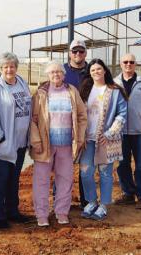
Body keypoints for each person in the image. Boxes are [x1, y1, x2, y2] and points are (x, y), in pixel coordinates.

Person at [30, 60, 87, 227]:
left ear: (64, 74)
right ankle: (41, 214)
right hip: (44, 145)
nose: (56, 75)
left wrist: (80, 138)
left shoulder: (71, 91)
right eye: (52, 72)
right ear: (48, 75)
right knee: (41, 181)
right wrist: (36, 140)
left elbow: (82, 116)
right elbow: (33, 120)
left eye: (59, 72)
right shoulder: (40, 93)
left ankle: (61, 212)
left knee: (65, 179)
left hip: (66, 145)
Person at [0, 52, 32, 229]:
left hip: (19, 143)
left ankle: (13, 211)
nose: (9, 69)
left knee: (14, 179)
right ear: (1, 69)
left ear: (16, 67)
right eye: (6, 67)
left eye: (12, 66)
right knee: (0, 179)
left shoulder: (22, 83)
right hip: (2, 143)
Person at [79, 59, 127, 220]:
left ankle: (104, 205)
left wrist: (110, 133)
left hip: (106, 139)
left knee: (105, 173)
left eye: (99, 69)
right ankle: (91, 201)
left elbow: (122, 113)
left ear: (105, 71)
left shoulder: (114, 90)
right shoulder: (85, 90)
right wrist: (80, 135)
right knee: (86, 172)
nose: (96, 72)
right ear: (89, 73)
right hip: (88, 139)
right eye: (93, 70)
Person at [114, 53, 141, 209]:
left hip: (140, 133)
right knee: (123, 164)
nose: (128, 64)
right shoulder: (114, 83)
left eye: (131, 62)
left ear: (135, 64)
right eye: (125, 62)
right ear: (120, 64)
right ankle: (128, 193)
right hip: (121, 132)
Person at [63, 39, 88, 207]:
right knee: (64, 165)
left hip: (86, 123)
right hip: (65, 123)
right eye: (74, 51)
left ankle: (86, 200)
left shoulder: (92, 70)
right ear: (69, 53)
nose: (77, 54)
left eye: (81, 51)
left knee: (85, 164)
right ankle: (62, 201)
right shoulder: (62, 71)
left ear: (85, 53)